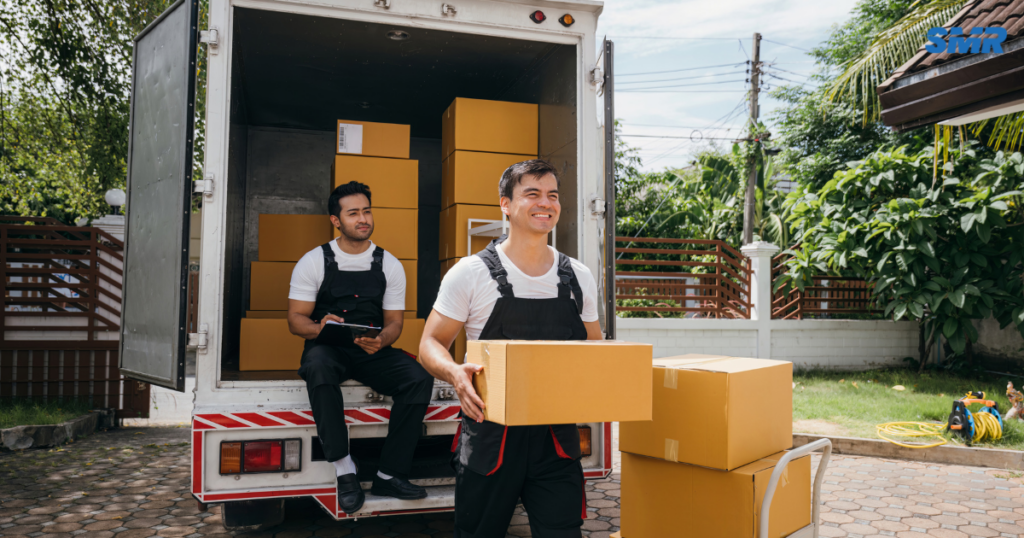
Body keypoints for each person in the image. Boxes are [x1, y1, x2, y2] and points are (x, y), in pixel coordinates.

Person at [418, 160, 603, 537]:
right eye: (531, 194)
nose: (545, 203)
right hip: (490, 437)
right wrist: (454, 372)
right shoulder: (471, 273)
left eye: (552, 195)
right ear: (505, 204)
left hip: (556, 438)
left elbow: (593, 350)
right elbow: (430, 343)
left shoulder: (578, 277)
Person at [287, 181, 435, 514]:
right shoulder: (313, 261)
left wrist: (383, 339)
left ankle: (389, 473)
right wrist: (319, 328)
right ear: (336, 221)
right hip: (328, 348)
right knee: (317, 367)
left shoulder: (389, 264)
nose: (363, 218)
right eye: (353, 213)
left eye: (366, 210)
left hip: (371, 349)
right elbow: (295, 320)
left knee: (418, 378)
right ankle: (345, 470)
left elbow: (394, 321)